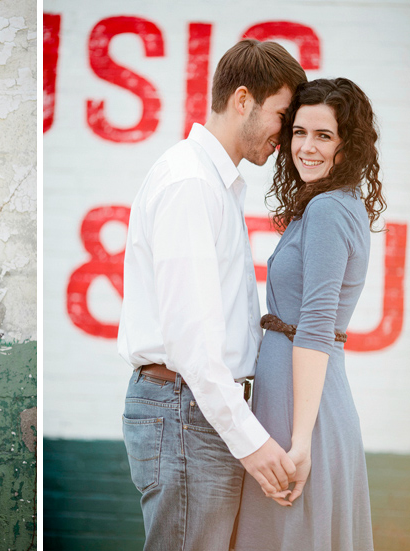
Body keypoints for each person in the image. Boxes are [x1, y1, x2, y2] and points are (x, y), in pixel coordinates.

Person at [117, 39, 307, 551]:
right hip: (185, 409)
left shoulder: (212, 183)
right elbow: (192, 344)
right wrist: (253, 442)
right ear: (242, 100)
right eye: (282, 116)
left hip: (192, 408)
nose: (285, 136)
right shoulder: (191, 184)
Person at [234, 78, 384, 550]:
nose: (306, 146)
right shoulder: (331, 205)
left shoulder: (328, 212)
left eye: (324, 135)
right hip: (301, 402)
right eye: (299, 132)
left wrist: (300, 443)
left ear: (348, 144)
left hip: (301, 412)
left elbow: (317, 326)